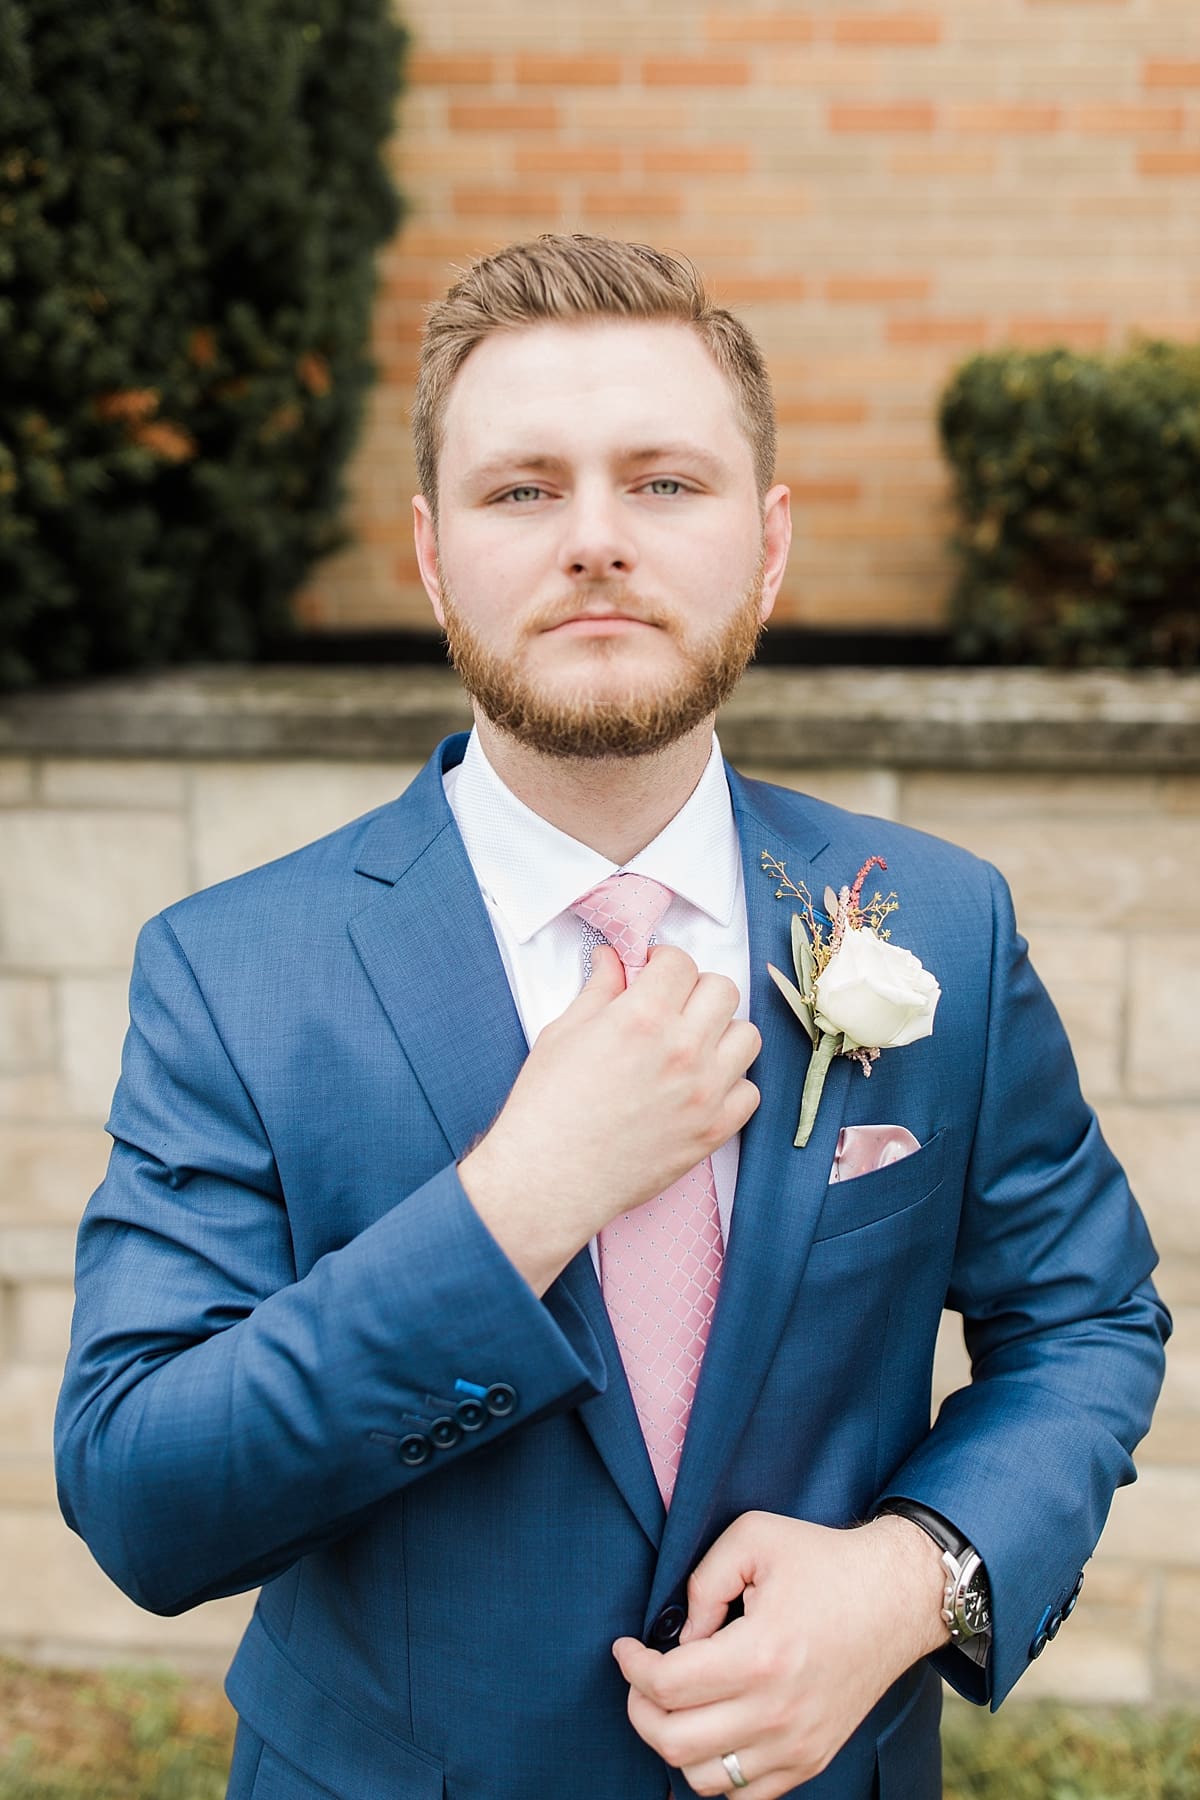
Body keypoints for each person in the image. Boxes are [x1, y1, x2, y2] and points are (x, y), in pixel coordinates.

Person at [56, 234, 1169, 1800]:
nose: (596, 541)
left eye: (665, 484)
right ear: (435, 554)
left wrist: (917, 1575)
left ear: (767, 547)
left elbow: (1086, 1319)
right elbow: (145, 1497)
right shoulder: (237, 974)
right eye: (523, 490)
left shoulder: (945, 922)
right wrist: (517, 1207)